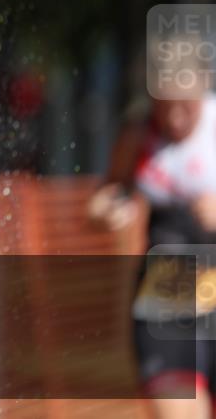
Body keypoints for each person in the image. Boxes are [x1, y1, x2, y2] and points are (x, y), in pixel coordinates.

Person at [89, 62, 216, 418]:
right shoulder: (139, 132)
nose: (174, 118)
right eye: (163, 106)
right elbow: (105, 195)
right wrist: (106, 211)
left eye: (184, 106)